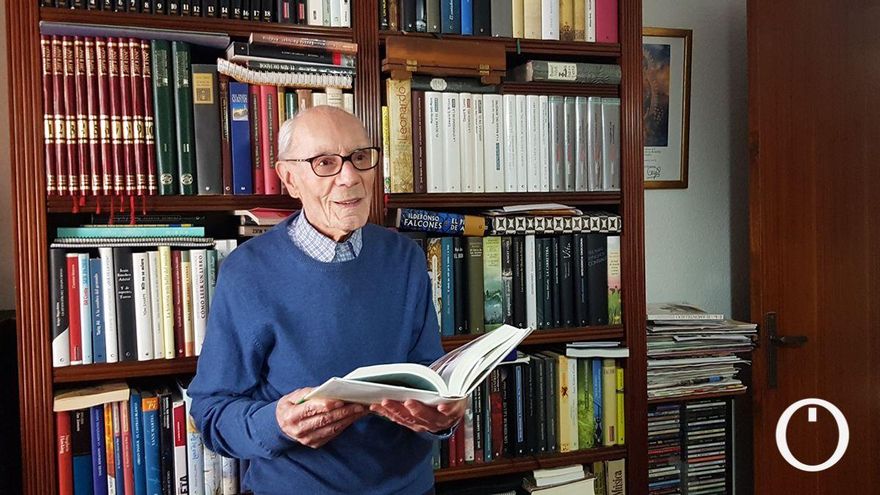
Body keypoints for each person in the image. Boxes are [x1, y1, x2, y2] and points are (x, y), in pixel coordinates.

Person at [188, 106, 465, 495]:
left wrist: (442, 414)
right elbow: (211, 413)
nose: (349, 177)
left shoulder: (405, 257)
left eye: (360, 158)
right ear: (290, 178)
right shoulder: (246, 272)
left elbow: (428, 378)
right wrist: (277, 424)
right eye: (325, 163)